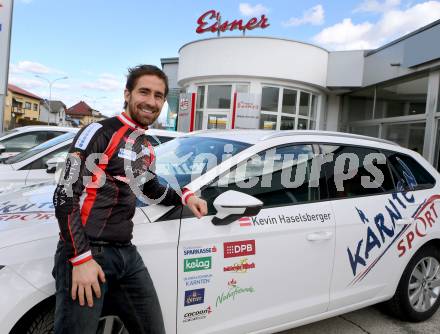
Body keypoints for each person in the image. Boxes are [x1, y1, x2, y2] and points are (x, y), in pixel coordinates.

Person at [52, 64, 208, 334]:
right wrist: (81, 259)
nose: (151, 101)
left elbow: (149, 188)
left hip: (126, 254)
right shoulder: (99, 132)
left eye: (158, 96)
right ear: (127, 94)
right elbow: (64, 194)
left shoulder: (145, 145)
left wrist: (184, 197)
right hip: (87, 253)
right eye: (144, 92)